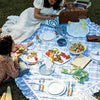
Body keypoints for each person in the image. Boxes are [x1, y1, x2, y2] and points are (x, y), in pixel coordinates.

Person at [0, 0, 65, 43]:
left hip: (39, 20)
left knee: (27, 33)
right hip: (30, 16)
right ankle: (3, 35)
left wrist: (60, 8)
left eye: (55, 2)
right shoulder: (40, 1)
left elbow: (62, 4)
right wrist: (48, 18)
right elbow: (35, 15)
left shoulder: (60, 1)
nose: (53, 3)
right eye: (51, 1)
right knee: (20, 30)